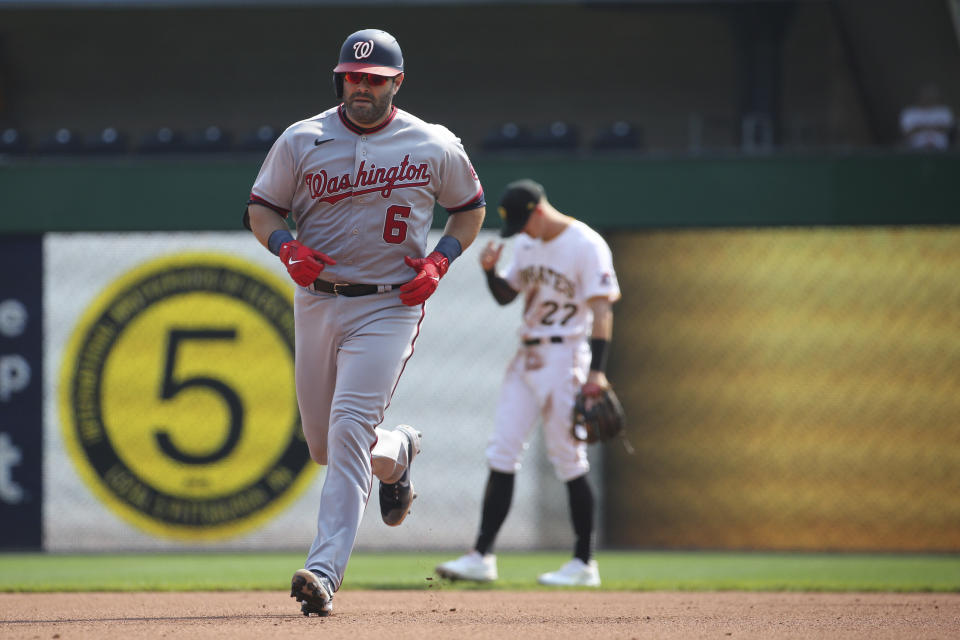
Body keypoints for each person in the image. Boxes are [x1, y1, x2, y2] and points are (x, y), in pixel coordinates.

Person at [243, 28, 485, 616]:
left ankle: (323, 573)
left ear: (396, 83)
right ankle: (397, 450)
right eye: (353, 77)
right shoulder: (303, 138)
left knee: (348, 430)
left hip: (388, 304)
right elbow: (261, 206)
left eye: (375, 79)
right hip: (318, 300)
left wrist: (440, 260)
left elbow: (470, 209)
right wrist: (284, 246)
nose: (362, 87)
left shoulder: (432, 143)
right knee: (325, 445)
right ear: (340, 78)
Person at [435, 179, 620, 587]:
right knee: (502, 452)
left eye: (523, 223)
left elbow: (602, 311)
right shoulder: (528, 245)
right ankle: (481, 556)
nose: (521, 232)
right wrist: (489, 273)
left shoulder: (586, 244)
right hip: (527, 356)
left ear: (538, 210)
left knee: (569, 459)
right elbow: (507, 295)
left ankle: (584, 563)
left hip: (566, 355)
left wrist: (597, 372)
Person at [900, 83, 955, 150]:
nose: (928, 97)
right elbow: (906, 133)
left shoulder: (944, 111)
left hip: (941, 150)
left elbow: (948, 130)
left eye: (931, 94)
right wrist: (935, 127)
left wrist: (920, 127)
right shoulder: (909, 112)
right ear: (919, 95)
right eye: (926, 94)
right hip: (915, 150)